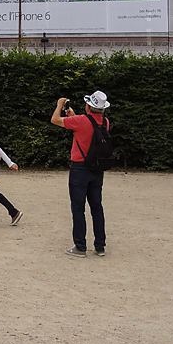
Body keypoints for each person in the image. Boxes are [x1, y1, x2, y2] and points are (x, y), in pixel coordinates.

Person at [51, 90, 110, 257]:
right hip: (97, 169)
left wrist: (59, 105)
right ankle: (100, 246)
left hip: (79, 169)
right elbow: (87, 128)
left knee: (78, 208)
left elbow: (55, 120)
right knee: (97, 207)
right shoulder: (105, 122)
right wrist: (72, 114)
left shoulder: (80, 121)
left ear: (88, 106)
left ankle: (80, 246)